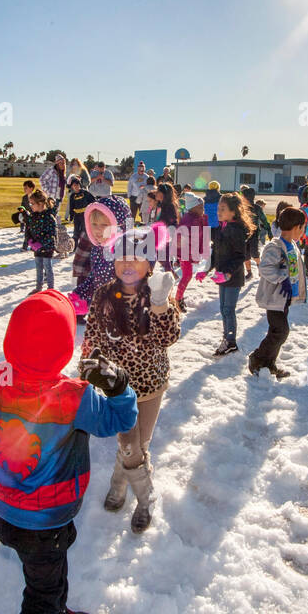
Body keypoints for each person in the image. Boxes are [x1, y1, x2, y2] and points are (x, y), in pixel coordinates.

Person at [0, 290, 138, 614]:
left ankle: (56, 611)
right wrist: (121, 388)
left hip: (3, 513)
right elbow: (119, 422)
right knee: (37, 597)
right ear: (63, 345)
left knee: (46, 574)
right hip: (46, 524)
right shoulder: (75, 397)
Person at [81, 227, 180, 533]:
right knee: (128, 442)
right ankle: (144, 498)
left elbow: (169, 337)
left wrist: (161, 303)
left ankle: (120, 484)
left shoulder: (157, 291)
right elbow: (93, 334)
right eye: (121, 257)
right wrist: (85, 367)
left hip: (150, 385)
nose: (127, 264)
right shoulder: (103, 294)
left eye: (136, 258)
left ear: (150, 264)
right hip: (115, 386)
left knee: (141, 443)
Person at [248, 207, 307, 379]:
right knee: (280, 331)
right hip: (275, 297)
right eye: (302, 228)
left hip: (285, 298)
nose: (303, 232)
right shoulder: (275, 247)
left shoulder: (292, 245)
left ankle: (269, 363)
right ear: (296, 227)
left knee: (277, 331)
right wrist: (283, 278)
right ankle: (257, 358)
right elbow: (265, 269)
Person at [208, 192, 252, 356]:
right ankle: (227, 336)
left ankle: (231, 341)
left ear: (233, 212)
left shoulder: (236, 230)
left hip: (233, 277)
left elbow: (240, 256)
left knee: (228, 309)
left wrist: (227, 273)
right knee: (223, 308)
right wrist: (207, 269)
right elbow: (216, 253)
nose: (219, 211)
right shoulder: (222, 227)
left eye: (223, 209)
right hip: (223, 275)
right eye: (218, 208)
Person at [174, 191, 208, 313]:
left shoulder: (197, 218)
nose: (202, 209)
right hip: (185, 253)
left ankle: (178, 297)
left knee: (187, 276)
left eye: (203, 207)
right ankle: (178, 299)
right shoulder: (189, 220)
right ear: (192, 208)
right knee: (187, 276)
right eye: (200, 207)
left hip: (188, 252)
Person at [24, 189, 58, 291]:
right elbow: (28, 229)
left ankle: (50, 289)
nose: (31, 206)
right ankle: (38, 288)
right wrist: (29, 240)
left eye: (32, 204)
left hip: (47, 248)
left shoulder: (49, 218)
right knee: (39, 269)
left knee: (48, 268)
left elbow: (52, 235)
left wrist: (41, 243)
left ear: (40, 204)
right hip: (37, 248)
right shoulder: (32, 217)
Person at [240, 186, 269, 278]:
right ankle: (249, 272)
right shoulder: (241, 207)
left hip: (254, 233)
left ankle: (260, 270)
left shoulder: (256, 208)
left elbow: (264, 219)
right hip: (243, 234)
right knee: (245, 255)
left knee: (254, 253)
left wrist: (268, 229)